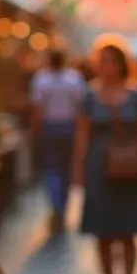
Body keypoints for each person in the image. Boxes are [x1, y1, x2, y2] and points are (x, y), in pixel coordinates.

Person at [72, 35, 137, 274]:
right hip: (98, 167)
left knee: (127, 233)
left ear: (121, 64)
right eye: (102, 61)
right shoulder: (88, 94)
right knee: (103, 233)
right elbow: (82, 135)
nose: (106, 66)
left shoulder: (136, 94)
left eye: (111, 61)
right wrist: (79, 171)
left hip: (129, 167)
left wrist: (136, 151)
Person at [29, 49, 86, 232]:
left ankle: (57, 205)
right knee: (65, 168)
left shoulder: (41, 79)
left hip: (50, 127)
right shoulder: (74, 78)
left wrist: (36, 130)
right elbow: (80, 108)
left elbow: (37, 108)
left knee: (51, 168)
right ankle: (62, 204)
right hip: (68, 127)